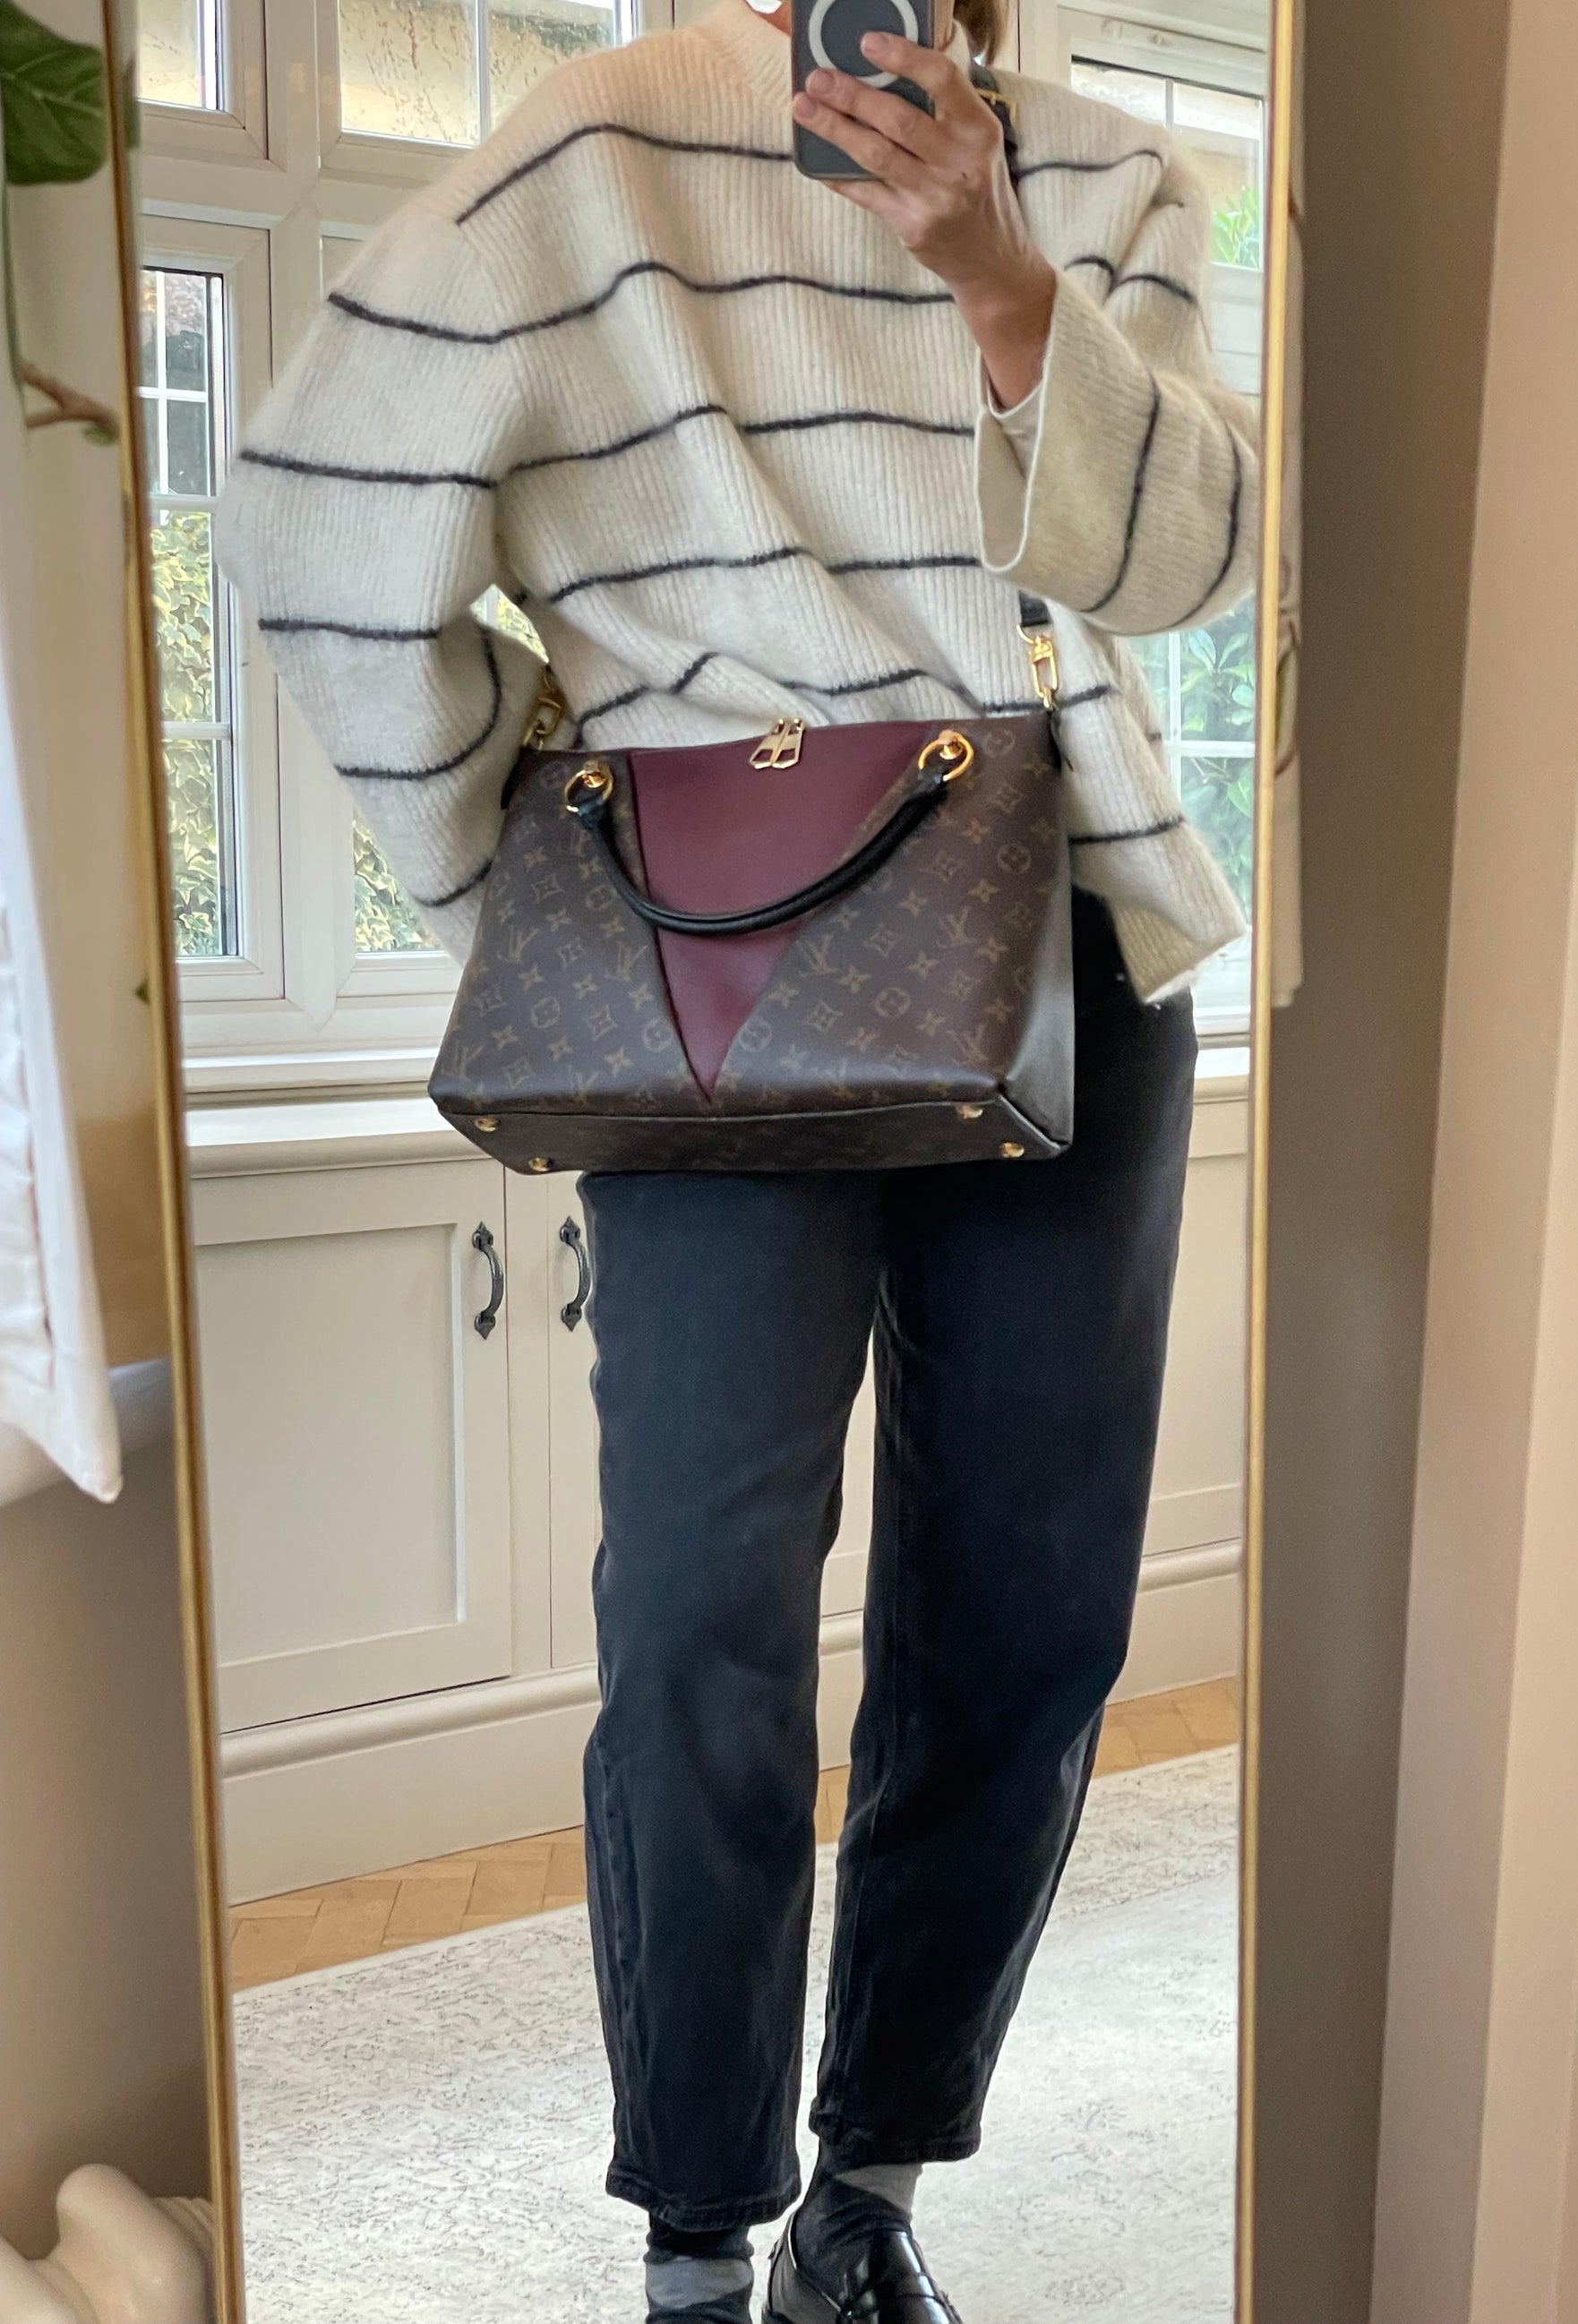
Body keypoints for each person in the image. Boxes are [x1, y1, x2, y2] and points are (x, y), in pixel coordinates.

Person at [217, 0, 1256, 2313]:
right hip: (719, 975)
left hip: (1069, 948)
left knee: (1026, 1615)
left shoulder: (1112, 176)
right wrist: (532, 878)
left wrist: (1002, 280)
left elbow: (1192, 562)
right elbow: (310, 510)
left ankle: (862, 2200)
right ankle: (696, 2237)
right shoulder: (586, 150)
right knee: (697, 1612)